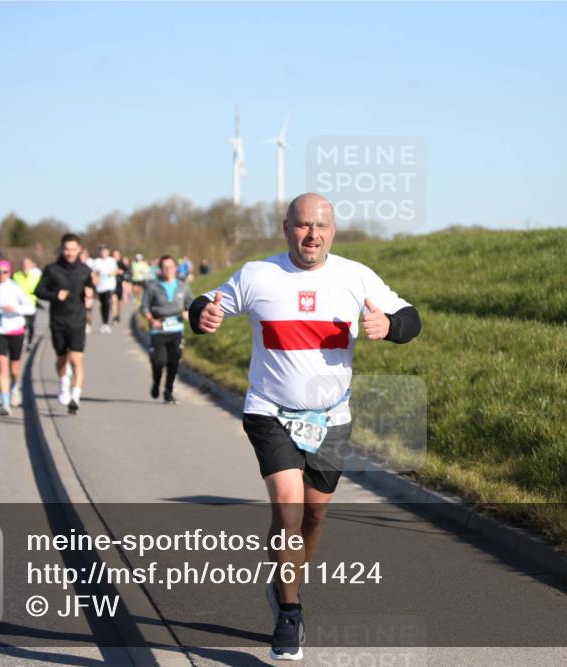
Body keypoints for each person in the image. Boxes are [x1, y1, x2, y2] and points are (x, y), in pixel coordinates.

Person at [189, 193, 421, 661]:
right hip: (269, 410)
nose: (311, 235)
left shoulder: (356, 276)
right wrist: (202, 315)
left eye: (321, 226)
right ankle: (290, 614)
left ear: (333, 231)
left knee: (315, 515)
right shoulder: (258, 274)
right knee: (289, 508)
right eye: (302, 226)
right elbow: (206, 304)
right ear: (285, 228)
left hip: (330, 417)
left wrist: (390, 325)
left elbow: (411, 318)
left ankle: (285, 579)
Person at [35, 234, 95, 415]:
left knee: (77, 359)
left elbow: (90, 288)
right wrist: (55, 296)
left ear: (79, 249)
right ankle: (63, 384)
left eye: (73, 249)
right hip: (58, 321)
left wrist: (90, 295)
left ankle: (75, 397)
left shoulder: (85, 270)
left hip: (77, 320)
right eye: (66, 249)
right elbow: (38, 291)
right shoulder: (52, 269)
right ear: (62, 249)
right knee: (62, 359)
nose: (69, 253)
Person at [0, 260, 33, 416]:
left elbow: (30, 307)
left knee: (14, 368)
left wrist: (15, 308)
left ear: (9, 273)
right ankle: (5, 404)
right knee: (1, 366)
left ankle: (14, 387)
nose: (1, 275)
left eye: (4, 272)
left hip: (16, 330)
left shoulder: (15, 288)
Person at [141, 255, 193, 403]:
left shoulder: (183, 286)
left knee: (174, 361)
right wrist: (151, 319)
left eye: (171, 267)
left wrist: (188, 312)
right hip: (158, 329)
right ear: (160, 270)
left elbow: (191, 304)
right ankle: (156, 381)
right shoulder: (153, 287)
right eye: (165, 267)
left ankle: (168, 391)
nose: (168, 270)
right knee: (159, 361)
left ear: (176, 268)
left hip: (176, 329)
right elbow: (144, 307)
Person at [12, 257, 42, 346]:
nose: (25, 266)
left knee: (31, 324)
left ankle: (30, 342)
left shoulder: (36, 276)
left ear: (31, 265)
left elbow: (40, 289)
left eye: (27, 264)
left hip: (31, 303)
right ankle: (21, 339)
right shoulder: (16, 275)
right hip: (20, 304)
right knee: (21, 323)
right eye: (24, 264)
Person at [92, 245, 118, 334]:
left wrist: (112, 273)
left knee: (107, 302)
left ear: (108, 252)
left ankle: (106, 323)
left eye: (105, 251)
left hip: (109, 286)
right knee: (103, 304)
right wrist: (95, 277)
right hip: (100, 287)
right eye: (102, 251)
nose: (103, 253)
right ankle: (104, 323)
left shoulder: (112, 260)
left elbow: (116, 271)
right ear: (100, 252)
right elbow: (94, 273)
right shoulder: (96, 261)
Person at [112, 248, 126, 321]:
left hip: (119, 283)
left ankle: (118, 314)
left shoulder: (121, 263)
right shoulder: (110, 262)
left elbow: (125, 272)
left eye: (117, 254)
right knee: (113, 300)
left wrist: (120, 272)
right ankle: (114, 315)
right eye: (114, 254)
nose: (116, 256)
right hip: (111, 284)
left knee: (118, 302)